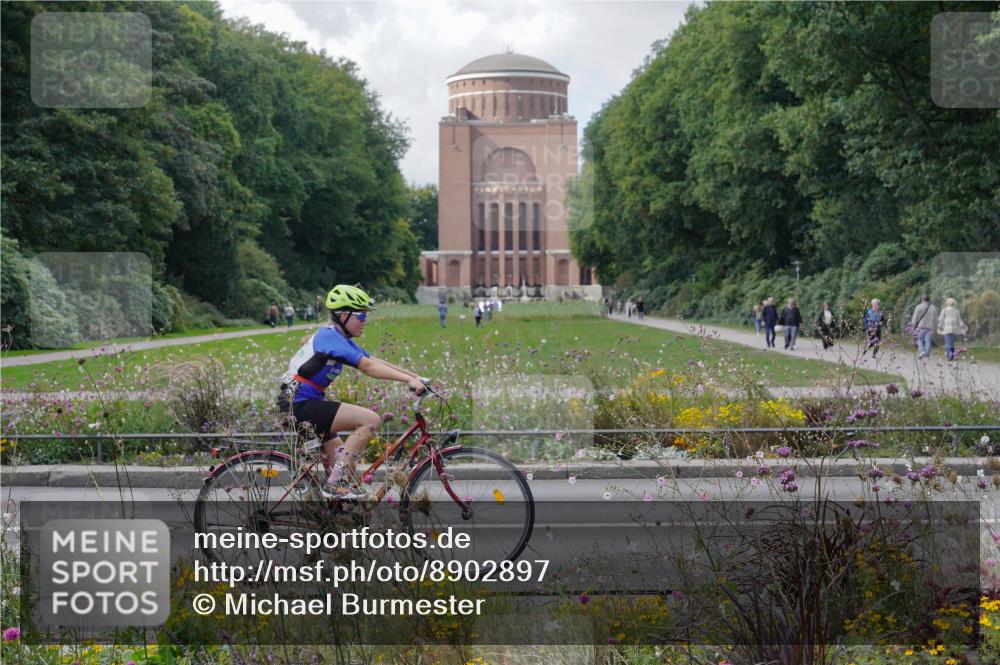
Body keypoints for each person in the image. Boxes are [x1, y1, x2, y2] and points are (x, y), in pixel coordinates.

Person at [276, 285, 427, 499]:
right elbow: (368, 368)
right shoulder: (329, 337)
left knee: (348, 474)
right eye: (361, 314)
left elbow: (374, 360)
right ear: (343, 315)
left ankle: (334, 520)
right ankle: (332, 487)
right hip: (298, 405)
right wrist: (409, 380)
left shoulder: (340, 338)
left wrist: (414, 377)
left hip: (302, 404)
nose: (365, 320)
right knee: (371, 421)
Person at [910, 295, 936, 359]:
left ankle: (922, 351)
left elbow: (915, 317)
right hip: (930, 327)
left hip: (921, 327)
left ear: (922, 299)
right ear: (929, 300)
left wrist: (913, 325)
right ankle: (926, 355)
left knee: (919, 340)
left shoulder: (918, 307)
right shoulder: (933, 307)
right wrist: (935, 327)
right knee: (928, 341)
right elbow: (935, 318)